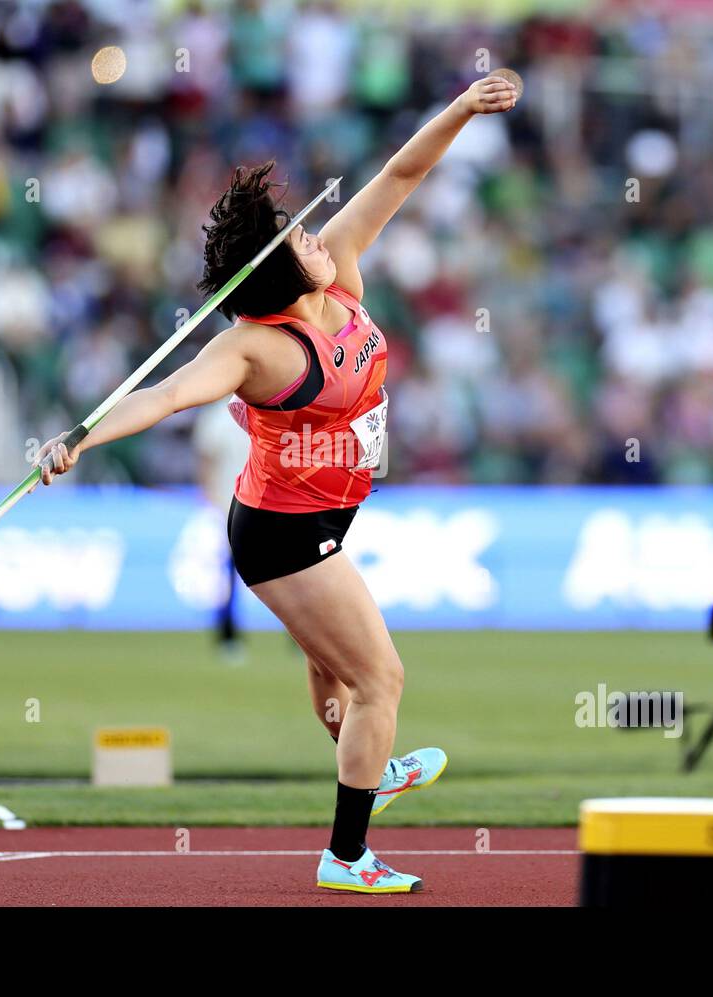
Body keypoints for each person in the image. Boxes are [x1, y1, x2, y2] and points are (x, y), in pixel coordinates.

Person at [35, 75, 518, 894]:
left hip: (332, 512)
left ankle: (366, 764)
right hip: (283, 534)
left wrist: (463, 109)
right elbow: (169, 392)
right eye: (298, 238)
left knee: (338, 681)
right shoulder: (255, 347)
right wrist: (81, 435)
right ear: (279, 277)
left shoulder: (340, 272)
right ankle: (347, 853)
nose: (315, 237)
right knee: (380, 680)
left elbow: (401, 175)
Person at [191, 396, 251, 662]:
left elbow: (205, 462)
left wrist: (209, 497)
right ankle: (300, 638)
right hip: (251, 502)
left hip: (231, 503)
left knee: (230, 573)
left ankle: (227, 635)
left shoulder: (215, 416)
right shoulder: (262, 408)